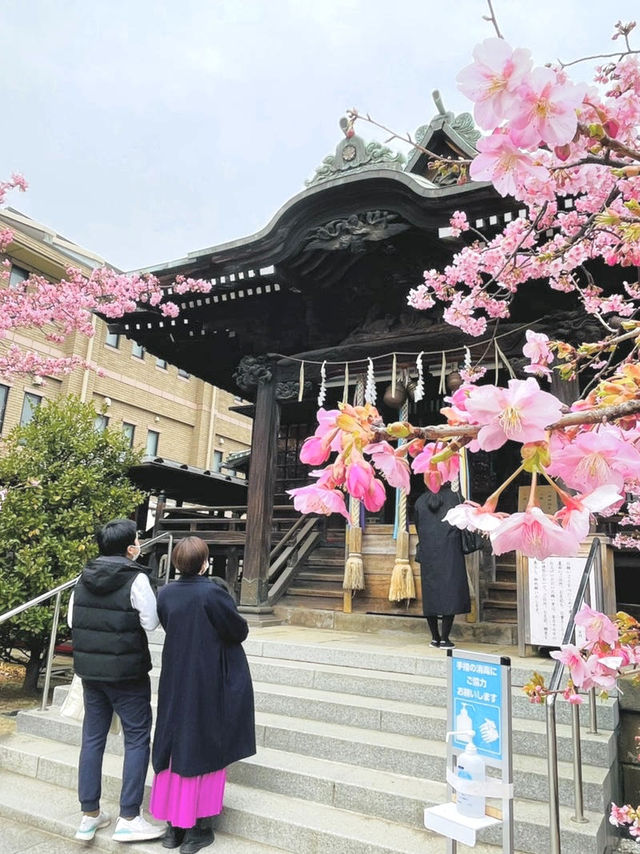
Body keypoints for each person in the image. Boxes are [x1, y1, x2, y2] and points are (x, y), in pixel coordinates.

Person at [150, 536, 256, 853]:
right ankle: (197, 829)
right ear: (204, 562)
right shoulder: (212, 592)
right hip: (208, 675)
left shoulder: (165, 594)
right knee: (206, 739)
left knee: (172, 739)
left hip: (175, 674)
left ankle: (173, 828)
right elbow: (237, 630)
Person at [68, 518, 164, 843]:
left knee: (92, 739)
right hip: (127, 674)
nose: (139, 544)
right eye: (137, 539)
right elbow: (151, 622)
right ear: (129, 548)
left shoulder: (82, 576)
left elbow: (72, 620)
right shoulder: (136, 579)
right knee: (136, 739)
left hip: (91, 674)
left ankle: (89, 816)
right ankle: (129, 816)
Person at [413, 483, 470, 648]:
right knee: (449, 593)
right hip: (450, 552)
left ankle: (434, 637)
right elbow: (465, 522)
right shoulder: (456, 498)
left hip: (428, 551)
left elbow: (418, 527)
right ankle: (445, 638)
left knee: (431, 593)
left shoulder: (420, 501)